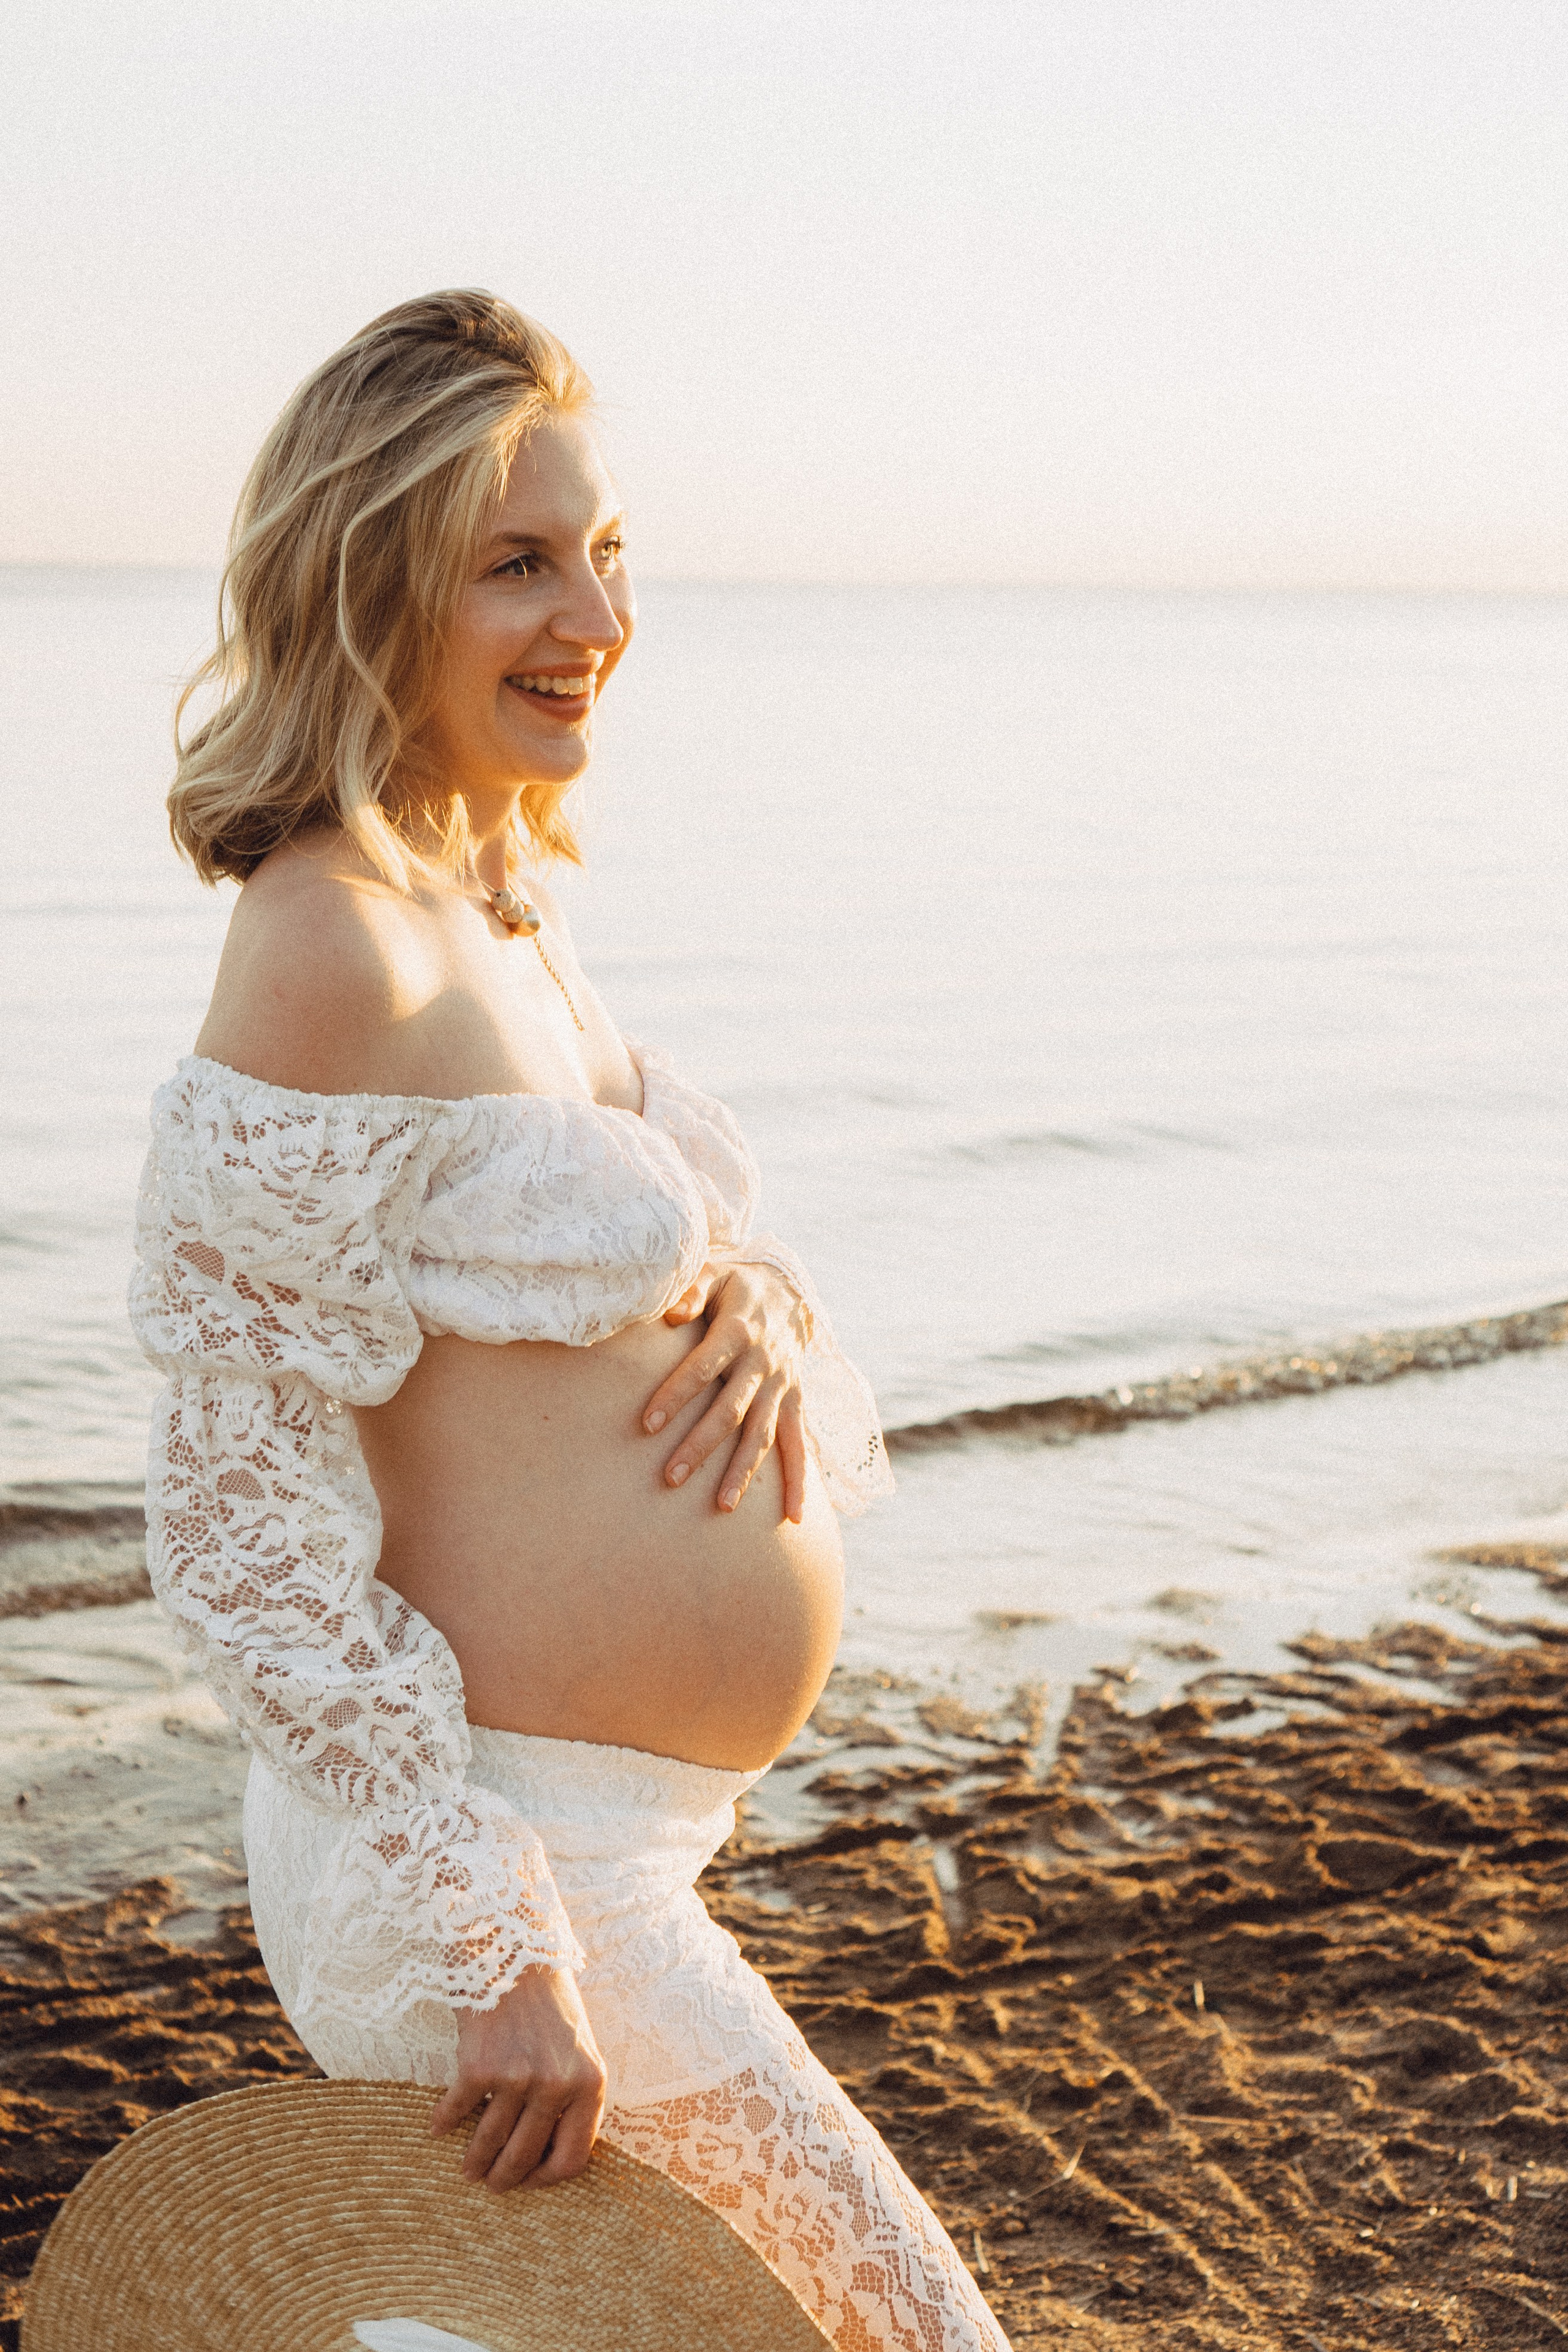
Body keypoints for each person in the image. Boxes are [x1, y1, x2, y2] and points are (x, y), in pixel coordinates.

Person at [129, 290, 1008, 2351]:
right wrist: (489, 1936)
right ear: (373, 583)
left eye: (604, 553)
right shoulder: (324, 941)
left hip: (603, 1855)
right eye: (518, 560)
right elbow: (247, 1537)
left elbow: (600, 1258)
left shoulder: (499, 901)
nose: (591, 613)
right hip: (496, 1880)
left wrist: (763, 1311)